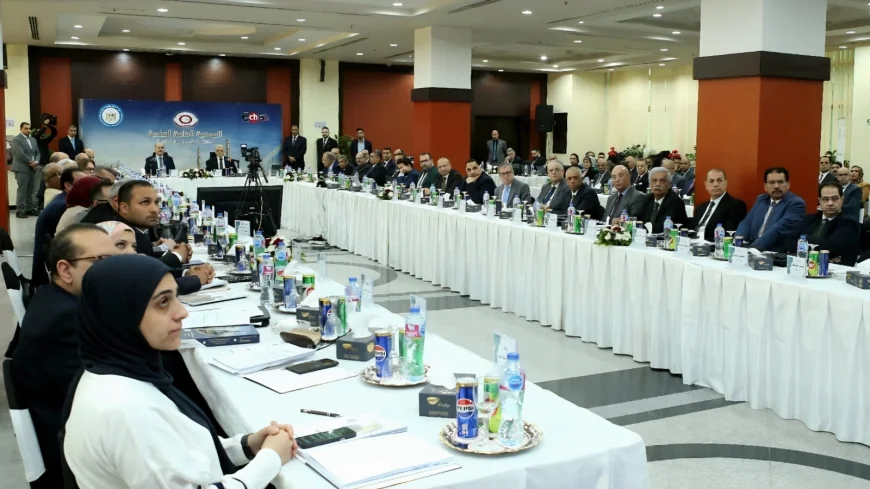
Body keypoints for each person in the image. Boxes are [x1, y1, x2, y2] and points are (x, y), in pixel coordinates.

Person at [63, 254, 297, 488]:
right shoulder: (127, 410)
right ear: (121, 314)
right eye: (163, 302)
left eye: (175, 297)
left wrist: (245, 445)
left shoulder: (116, 374)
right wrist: (270, 459)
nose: (182, 312)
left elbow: (178, 453)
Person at [11, 223, 119, 486]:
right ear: (65, 270)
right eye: (102, 261)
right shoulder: (67, 319)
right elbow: (104, 393)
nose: (115, 270)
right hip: (77, 453)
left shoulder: (55, 298)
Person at [774, 183, 860, 265]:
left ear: (842, 199)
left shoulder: (849, 222)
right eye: (825, 199)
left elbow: (832, 247)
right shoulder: (809, 218)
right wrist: (820, 256)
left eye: (834, 198)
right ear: (819, 201)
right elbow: (788, 241)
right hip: (804, 267)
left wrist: (804, 237)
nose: (830, 203)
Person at [31, 168, 87, 289]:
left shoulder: (61, 199)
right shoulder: (64, 206)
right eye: (81, 183)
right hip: (49, 277)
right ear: (68, 185)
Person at [735, 167, 806, 251]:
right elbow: (746, 223)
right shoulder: (761, 199)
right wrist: (737, 244)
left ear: (788, 185)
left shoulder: (796, 204)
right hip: (752, 247)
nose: (776, 186)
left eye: (780, 182)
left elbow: (778, 229)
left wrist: (752, 249)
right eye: (772, 182)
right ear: (765, 186)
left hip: (774, 251)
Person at [689, 169, 747, 242]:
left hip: (712, 244)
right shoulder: (700, 207)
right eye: (711, 181)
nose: (715, 184)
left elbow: (728, 234)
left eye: (719, 180)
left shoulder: (736, 205)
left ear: (726, 183)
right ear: (706, 185)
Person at [639, 167, 689, 233]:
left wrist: (642, 228)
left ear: (669, 185)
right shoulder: (647, 198)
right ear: (650, 184)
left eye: (662, 181)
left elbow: (664, 227)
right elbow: (637, 220)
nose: (658, 184)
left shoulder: (675, 201)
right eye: (654, 180)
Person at [11, 121, 41, 218]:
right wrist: (31, 162)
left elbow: (37, 152)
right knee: (22, 189)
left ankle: (29, 209)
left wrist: (36, 161)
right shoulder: (17, 139)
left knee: (30, 190)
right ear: (21, 129)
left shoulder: (33, 139)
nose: (28, 130)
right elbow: (20, 154)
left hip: (32, 168)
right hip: (21, 167)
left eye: (29, 128)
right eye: (26, 128)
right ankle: (20, 210)